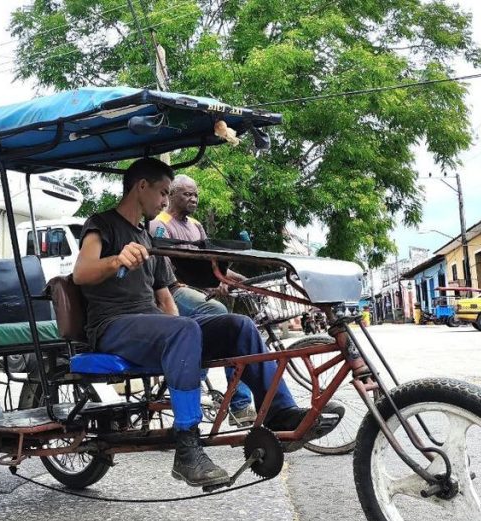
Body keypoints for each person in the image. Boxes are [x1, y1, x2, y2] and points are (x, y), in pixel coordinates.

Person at [74, 157, 342, 488]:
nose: (164, 202)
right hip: (112, 326)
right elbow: (81, 272)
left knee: (238, 326)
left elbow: (165, 297)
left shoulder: (147, 238)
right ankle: (187, 446)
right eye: (163, 192)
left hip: (151, 327)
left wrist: (182, 338)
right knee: (185, 329)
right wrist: (116, 259)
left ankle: (278, 411)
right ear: (141, 186)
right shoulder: (102, 224)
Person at [148, 174, 256, 426]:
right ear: (172, 195)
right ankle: (230, 400)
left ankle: (232, 398)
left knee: (235, 327)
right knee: (220, 315)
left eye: (196, 194)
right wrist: (211, 284)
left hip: (198, 290)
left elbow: (210, 264)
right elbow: (164, 270)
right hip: (173, 290)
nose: (193, 199)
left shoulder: (196, 226)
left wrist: (240, 281)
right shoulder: (160, 224)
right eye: (187, 194)